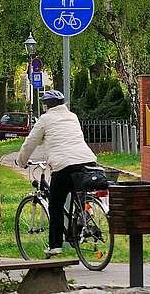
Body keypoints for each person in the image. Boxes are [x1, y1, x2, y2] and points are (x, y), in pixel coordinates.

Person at [16, 89, 97, 256]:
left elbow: (30, 142)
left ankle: (55, 246)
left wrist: (21, 161)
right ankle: (83, 221)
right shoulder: (73, 116)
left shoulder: (45, 119)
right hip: (88, 162)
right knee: (80, 197)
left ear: (48, 105)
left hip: (64, 166)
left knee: (55, 205)